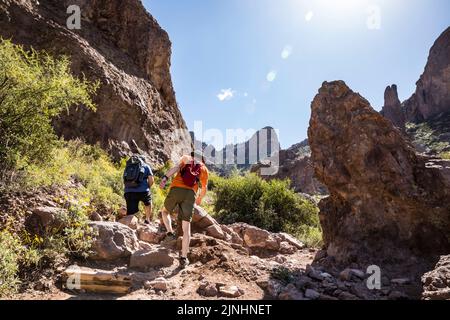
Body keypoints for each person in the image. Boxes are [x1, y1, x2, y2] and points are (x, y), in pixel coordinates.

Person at [159, 150, 209, 268]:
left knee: (165, 211)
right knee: (186, 228)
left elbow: (175, 168)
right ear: (202, 159)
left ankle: (170, 234)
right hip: (190, 194)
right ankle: (183, 258)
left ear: (192, 155)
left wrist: (165, 178)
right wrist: (199, 198)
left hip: (176, 189)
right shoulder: (204, 169)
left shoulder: (186, 158)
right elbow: (204, 187)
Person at [123, 155, 154, 224]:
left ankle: (129, 225)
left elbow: (124, 179)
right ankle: (147, 219)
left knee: (131, 213)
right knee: (148, 203)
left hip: (129, 191)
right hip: (143, 191)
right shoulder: (146, 166)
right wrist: (147, 187)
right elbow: (151, 180)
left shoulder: (128, 166)